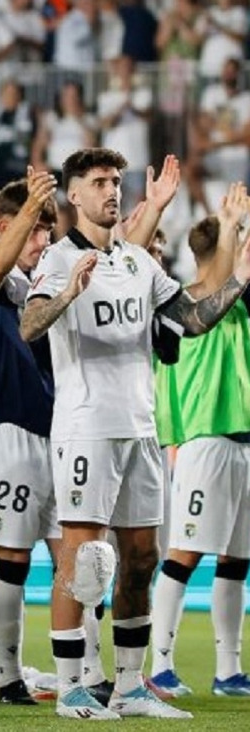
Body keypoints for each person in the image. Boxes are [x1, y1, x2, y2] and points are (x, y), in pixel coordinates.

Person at [21, 148, 250, 720]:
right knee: (84, 557)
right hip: (87, 428)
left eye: (116, 181)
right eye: (99, 182)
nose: (111, 190)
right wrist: (68, 294)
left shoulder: (137, 263)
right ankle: (72, 685)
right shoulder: (56, 260)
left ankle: (128, 685)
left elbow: (190, 320)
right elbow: (28, 326)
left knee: (142, 557)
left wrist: (240, 278)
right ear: (74, 195)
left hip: (140, 430)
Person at [0, 169, 61, 705]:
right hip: (9, 434)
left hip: (58, 438)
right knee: (13, 560)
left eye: (48, 231)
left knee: (80, 560)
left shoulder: (41, 287)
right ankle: (6, 675)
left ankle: (83, 671)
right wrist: (28, 210)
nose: (41, 241)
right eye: (35, 230)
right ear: (4, 229)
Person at [150, 186, 250, 698]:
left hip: (242, 443)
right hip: (205, 441)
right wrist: (232, 226)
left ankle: (229, 670)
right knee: (184, 553)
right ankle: (159, 663)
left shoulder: (238, 307)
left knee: (236, 560)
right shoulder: (188, 306)